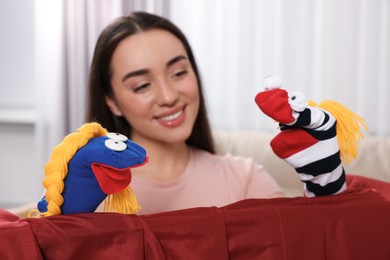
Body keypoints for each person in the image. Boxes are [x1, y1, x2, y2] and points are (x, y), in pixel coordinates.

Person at [86, 11, 285, 215]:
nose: (168, 97)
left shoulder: (246, 179)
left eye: (179, 73)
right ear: (111, 101)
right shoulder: (88, 198)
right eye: (142, 85)